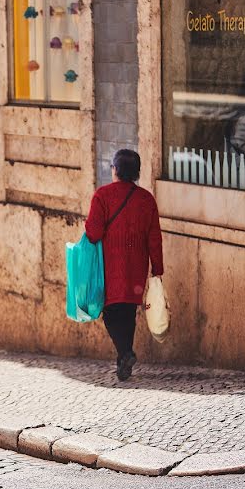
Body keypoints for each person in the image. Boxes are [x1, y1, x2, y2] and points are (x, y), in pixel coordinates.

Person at [85, 149, 164, 381]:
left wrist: (87, 224)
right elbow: (154, 237)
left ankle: (126, 353)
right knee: (128, 311)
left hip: (111, 266)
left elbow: (93, 233)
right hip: (137, 266)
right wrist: (157, 268)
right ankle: (123, 362)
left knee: (110, 313)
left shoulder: (102, 196)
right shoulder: (146, 199)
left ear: (116, 170)